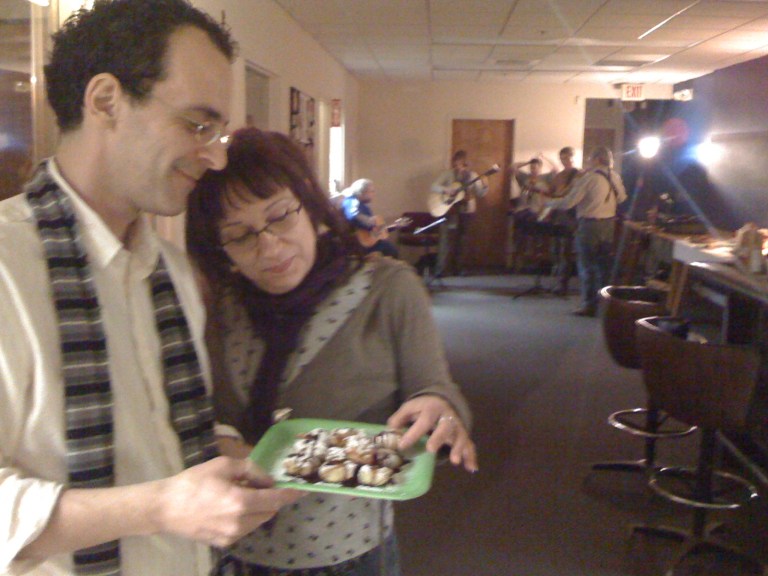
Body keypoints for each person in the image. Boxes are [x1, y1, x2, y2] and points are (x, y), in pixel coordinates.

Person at [0, 2, 302, 575]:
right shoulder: (7, 268)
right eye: (197, 125)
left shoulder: (173, 272)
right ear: (105, 101)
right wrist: (161, 507)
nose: (216, 157)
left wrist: (227, 451)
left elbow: (159, 429)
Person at [186, 127, 478, 576]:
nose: (268, 245)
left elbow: (435, 389)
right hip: (237, 555)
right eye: (240, 235)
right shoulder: (223, 308)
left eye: (280, 216)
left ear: (310, 206)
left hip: (349, 555)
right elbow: (206, 416)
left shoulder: (388, 288)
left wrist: (439, 410)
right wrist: (222, 442)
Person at [546, 146, 627, 316]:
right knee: (604, 267)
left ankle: (589, 305)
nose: (588, 161)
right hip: (609, 224)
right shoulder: (615, 176)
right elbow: (622, 198)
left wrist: (548, 203)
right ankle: (606, 305)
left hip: (589, 225)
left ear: (597, 159)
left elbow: (569, 202)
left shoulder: (589, 178)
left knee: (587, 266)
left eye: (590, 158)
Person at [430, 149, 489, 277]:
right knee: (445, 238)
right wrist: (446, 190)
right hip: (450, 210)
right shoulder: (448, 174)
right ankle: (441, 268)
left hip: (467, 210)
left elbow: (480, 193)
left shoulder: (472, 176)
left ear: (466, 164)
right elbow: (433, 186)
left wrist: (485, 186)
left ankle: (458, 268)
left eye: (460, 165)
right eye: (455, 164)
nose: (458, 167)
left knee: (462, 240)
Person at [340, 178, 399, 258]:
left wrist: (395, 226)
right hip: (360, 245)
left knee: (391, 250)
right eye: (371, 191)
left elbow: (376, 232)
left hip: (369, 242)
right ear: (362, 192)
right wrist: (371, 222)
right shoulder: (352, 201)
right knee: (391, 251)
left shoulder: (360, 205)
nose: (373, 194)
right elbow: (353, 216)